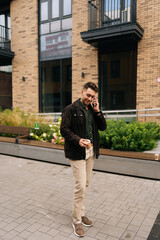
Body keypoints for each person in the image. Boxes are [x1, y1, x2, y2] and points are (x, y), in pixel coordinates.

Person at [60, 82, 107, 237]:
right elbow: (64, 129)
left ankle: (81, 213)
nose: (90, 98)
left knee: (85, 184)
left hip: (90, 152)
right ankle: (77, 221)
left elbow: (103, 127)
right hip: (77, 152)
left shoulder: (93, 110)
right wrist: (78, 139)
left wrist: (97, 110)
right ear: (82, 92)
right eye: (88, 95)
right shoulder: (70, 109)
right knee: (80, 185)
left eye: (93, 96)